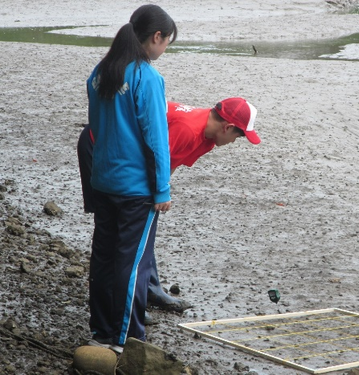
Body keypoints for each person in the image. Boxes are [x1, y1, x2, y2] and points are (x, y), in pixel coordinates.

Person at [78, 97, 260, 323]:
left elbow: (169, 163)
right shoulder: (188, 129)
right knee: (119, 231)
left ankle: (148, 290)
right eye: (239, 136)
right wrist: (156, 194)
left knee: (143, 225)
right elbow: (152, 161)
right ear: (228, 127)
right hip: (101, 144)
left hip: (132, 155)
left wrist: (160, 192)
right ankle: (121, 304)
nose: (236, 141)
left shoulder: (208, 136)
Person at [85, 5, 177, 353]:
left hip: (104, 179)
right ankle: (124, 339)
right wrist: (162, 188)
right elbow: (156, 139)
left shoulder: (100, 72)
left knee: (104, 257)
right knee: (130, 262)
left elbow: (95, 128)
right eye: (166, 42)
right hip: (135, 189)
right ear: (156, 37)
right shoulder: (146, 76)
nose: (164, 49)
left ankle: (101, 332)